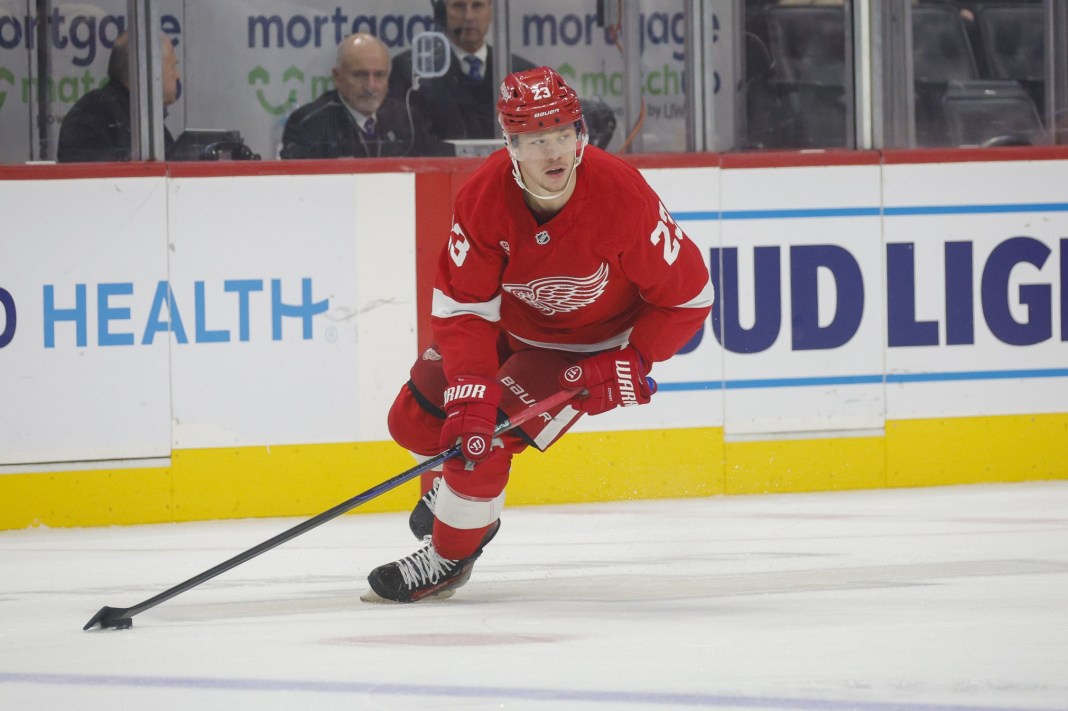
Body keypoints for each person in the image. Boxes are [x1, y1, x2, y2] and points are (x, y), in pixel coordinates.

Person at [361, 67, 716, 604]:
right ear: (511, 147)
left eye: (563, 133)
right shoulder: (484, 198)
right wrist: (470, 394)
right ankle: (466, 508)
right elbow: (463, 310)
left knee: (480, 449)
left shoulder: (622, 197)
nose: (553, 153)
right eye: (533, 139)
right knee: (417, 418)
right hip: (509, 323)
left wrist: (635, 358)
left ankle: (448, 558)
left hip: (585, 347)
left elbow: (690, 297)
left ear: (581, 136)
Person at [280, 33, 451, 159]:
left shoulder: (408, 121)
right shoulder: (308, 124)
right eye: (360, 75)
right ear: (337, 77)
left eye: (379, 75)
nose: (371, 86)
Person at [388, 0, 536, 140]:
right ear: (442, 13)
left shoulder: (522, 74)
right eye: (459, 6)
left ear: (491, 11)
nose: (469, 16)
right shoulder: (411, 71)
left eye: (477, 5)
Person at [57, 32, 179, 162]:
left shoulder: (143, 118)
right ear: (148, 69)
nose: (177, 75)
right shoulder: (94, 113)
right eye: (173, 66)